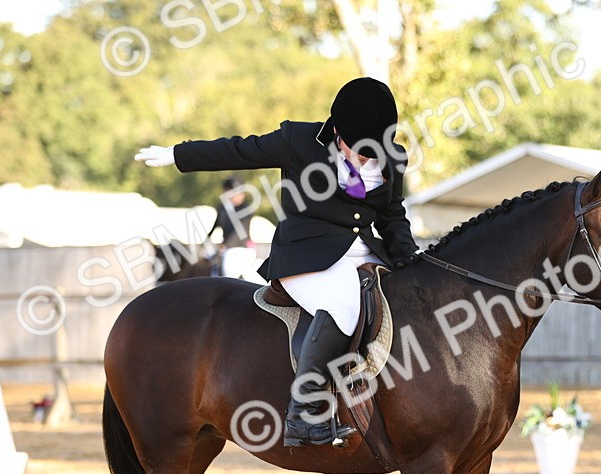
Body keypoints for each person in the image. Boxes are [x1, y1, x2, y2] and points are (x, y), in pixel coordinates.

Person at [135, 77, 419, 447]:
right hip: (306, 255)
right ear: (337, 130)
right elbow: (238, 151)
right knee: (345, 302)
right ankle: (303, 413)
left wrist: (409, 258)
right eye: (359, 150)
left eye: (373, 151)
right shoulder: (298, 141)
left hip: (363, 250)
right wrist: (178, 154)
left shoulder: (392, 157)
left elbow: (392, 216)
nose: (367, 159)